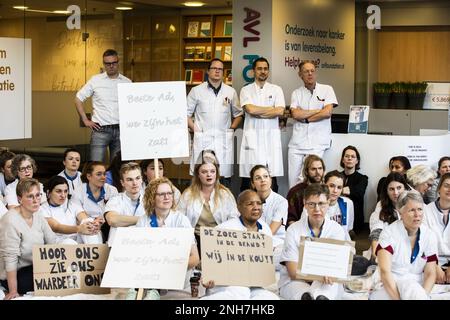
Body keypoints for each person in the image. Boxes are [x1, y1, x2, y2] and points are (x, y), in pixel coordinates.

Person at [201, 190, 279, 300]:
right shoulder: (223, 230)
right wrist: (208, 277)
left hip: (255, 285)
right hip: (228, 284)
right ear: (239, 208)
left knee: (270, 298)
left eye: (259, 203)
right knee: (241, 293)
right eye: (250, 204)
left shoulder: (265, 229)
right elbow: (211, 263)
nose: (256, 207)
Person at [134, 177, 200, 300]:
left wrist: (169, 267)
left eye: (169, 193)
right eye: (162, 194)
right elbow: (137, 256)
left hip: (178, 283)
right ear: (152, 198)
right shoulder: (143, 221)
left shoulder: (181, 220)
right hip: (150, 280)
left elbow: (195, 258)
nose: (167, 197)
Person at [279, 183, 346, 300]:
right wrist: (320, 273)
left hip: (326, 279)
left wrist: (326, 274)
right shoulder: (293, 230)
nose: (317, 209)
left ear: (328, 202)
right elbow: (293, 272)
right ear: (304, 203)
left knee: (324, 294)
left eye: (321, 204)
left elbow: (336, 267)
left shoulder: (336, 230)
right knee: (305, 296)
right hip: (296, 281)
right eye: (312, 204)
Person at [370, 190, 438, 300]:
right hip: (389, 284)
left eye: (420, 209)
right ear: (400, 213)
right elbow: (385, 271)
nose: (417, 215)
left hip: (417, 287)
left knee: (412, 288)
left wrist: (423, 295)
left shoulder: (429, 236)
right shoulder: (389, 233)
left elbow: (430, 273)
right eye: (412, 210)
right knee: (410, 287)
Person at [187, 58, 242, 185]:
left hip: (223, 140)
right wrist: (195, 129)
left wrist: (231, 129)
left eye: (220, 69)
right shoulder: (196, 91)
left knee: (223, 179)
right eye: (214, 68)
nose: (217, 71)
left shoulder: (230, 91)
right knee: (200, 177)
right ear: (208, 71)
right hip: (203, 139)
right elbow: (185, 114)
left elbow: (238, 114)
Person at [0, 179, 57, 300]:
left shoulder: (37, 214)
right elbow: (10, 258)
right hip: (16, 273)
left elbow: (52, 241)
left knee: (66, 271)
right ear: (20, 199)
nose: (36, 200)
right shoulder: (10, 220)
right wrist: (13, 291)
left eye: (37, 195)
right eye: (30, 196)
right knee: (51, 279)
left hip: (36, 265)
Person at [75, 49, 131, 162]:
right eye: (107, 63)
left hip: (120, 129)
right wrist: (85, 120)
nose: (111, 66)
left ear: (118, 62)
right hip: (100, 129)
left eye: (114, 63)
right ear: (104, 64)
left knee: (117, 168)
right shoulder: (95, 80)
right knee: (95, 165)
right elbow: (78, 98)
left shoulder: (127, 82)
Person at [287, 60, 338, 188]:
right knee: (293, 183)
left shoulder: (327, 89)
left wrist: (306, 118)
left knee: (311, 181)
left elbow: (327, 113)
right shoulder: (296, 93)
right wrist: (317, 111)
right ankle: (294, 207)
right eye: (306, 71)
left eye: (312, 71)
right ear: (300, 75)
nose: (310, 74)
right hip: (297, 144)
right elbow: (296, 115)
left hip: (317, 143)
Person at [239, 57, 286, 192]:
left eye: (265, 69)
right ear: (253, 71)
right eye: (259, 68)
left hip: (271, 141)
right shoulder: (246, 90)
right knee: (248, 183)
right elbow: (250, 109)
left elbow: (280, 110)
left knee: (271, 182)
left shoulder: (276, 89)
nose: (263, 71)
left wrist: (258, 111)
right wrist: (271, 110)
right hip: (252, 141)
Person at [178, 160, 239, 254]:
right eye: (204, 172)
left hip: (219, 239)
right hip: (194, 240)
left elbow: (234, 220)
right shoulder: (188, 194)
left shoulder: (225, 194)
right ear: (198, 175)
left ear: (216, 174)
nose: (209, 175)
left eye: (212, 171)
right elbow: (180, 218)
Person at [41, 176, 102, 244]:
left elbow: (83, 217)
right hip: (57, 243)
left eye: (65, 191)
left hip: (77, 239)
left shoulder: (72, 204)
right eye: (59, 191)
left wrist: (93, 224)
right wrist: (79, 229)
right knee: (69, 242)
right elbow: (56, 227)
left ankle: (97, 252)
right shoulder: (43, 209)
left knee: (89, 222)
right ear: (49, 193)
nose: (63, 195)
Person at [250, 165, 287, 269]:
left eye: (266, 176)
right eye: (258, 178)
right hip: (254, 243)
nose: (263, 180)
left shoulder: (281, 202)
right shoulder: (248, 201)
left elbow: (271, 231)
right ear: (253, 184)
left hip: (276, 243)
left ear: (270, 180)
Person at [71, 161, 118, 243]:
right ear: (89, 176)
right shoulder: (78, 192)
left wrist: (101, 221)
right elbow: (79, 214)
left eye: (104, 174)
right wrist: (93, 223)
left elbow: (115, 212)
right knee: (90, 229)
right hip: (86, 226)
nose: (103, 177)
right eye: (99, 174)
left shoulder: (112, 190)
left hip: (106, 225)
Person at [369, 172, 410, 261]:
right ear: (386, 191)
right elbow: (377, 229)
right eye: (391, 189)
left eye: (399, 188)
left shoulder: (413, 203)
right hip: (385, 249)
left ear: (405, 188)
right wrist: (376, 254)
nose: (396, 193)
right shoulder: (381, 205)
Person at [104, 162, 146, 246]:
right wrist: (145, 219)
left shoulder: (150, 200)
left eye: (137, 178)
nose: (134, 183)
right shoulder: (115, 200)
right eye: (129, 179)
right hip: (118, 248)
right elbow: (113, 220)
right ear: (122, 182)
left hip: (143, 246)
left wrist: (124, 221)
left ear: (141, 179)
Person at [424, 172, 450, 284]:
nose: (449, 189)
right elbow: (421, 243)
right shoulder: (425, 211)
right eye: (446, 185)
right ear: (439, 188)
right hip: (431, 262)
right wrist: (434, 265)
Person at [286, 154, 325, 227]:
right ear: (306, 171)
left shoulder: (327, 190)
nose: (318, 172)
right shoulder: (295, 192)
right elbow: (290, 219)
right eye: (313, 169)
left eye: (320, 168)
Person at [339, 145, 368, 233]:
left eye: (353, 156)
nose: (349, 158)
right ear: (343, 160)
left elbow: (359, 193)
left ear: (356, 161)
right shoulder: (335, 176)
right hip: (337, 220)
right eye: (347, 156)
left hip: (355, 225)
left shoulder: (362, 178)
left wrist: (340, 190)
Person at [324, 170, 354, 238]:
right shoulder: (314, 204)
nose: (335, 191)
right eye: (331, 186)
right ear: (324, 185)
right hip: (323, 243)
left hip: (343, 243)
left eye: (339, 187)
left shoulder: (348, 203)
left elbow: (348, 228)